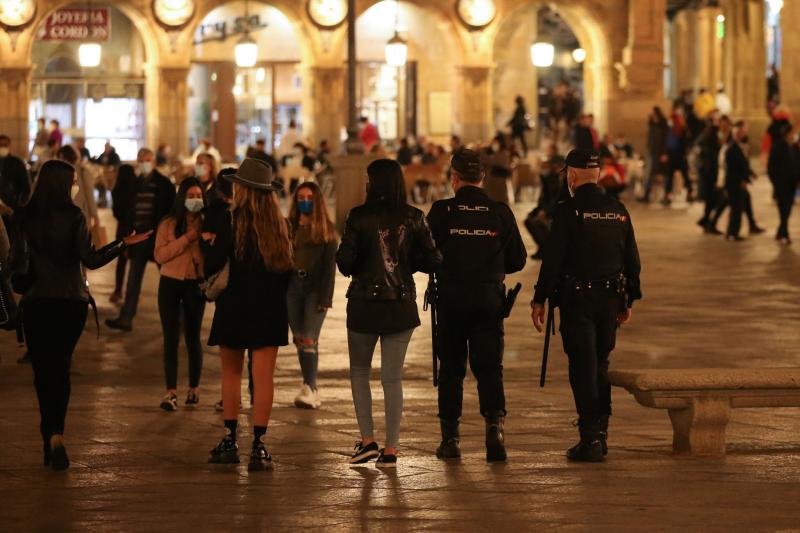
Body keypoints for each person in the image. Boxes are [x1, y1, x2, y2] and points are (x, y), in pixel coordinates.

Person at [15, 159, 150, 471]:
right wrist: (121, 244)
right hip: (70, 303)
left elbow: (17, 265)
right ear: (64, 184)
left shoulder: (25, 216)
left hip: (37, 302)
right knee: (61, 370)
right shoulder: (74, 216)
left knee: (42, 372)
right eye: (73, 180)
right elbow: (90, 259)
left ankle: (48, 434)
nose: (76, 185)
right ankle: (58, 434)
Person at [531, 148, 642, 462]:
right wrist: (629, 299)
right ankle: (601, 433)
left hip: (578, 302)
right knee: (601, 364)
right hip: (609, 301)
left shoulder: (567, 210)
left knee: (583, 367)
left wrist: (540, 298)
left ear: (572, 175)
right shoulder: (618, 209)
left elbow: (552, 260)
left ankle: (590, 437)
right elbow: (632, 259)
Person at [336, 159, 441, 468]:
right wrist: (410, 260)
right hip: (400, 304)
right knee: (392, 379)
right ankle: (392, 449)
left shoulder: (358, 217)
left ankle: (368, 441)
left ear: (373, 184)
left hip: (364, 305)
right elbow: (435, 259)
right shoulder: (414, 217)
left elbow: (345, 264)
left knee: (359, 372)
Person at [426, 149, 527, 462]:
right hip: (488, 300)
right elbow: (518, 260)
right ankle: (494, 429)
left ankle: (451, 439)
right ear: (482, 178)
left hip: (452, 300)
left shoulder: (441, 212)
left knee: (451, 370)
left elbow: (425, 255)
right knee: (489, 368)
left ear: (454, 178)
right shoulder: (500, 212)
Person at [203, 158, 293, 471]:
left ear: (242, 189)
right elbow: (287, 271)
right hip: (269, 307)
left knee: (231, 373)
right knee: (263, 376)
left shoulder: (230, 221)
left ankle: (229, 438)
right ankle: (259, 444)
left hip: (235, 305)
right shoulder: (280, 225)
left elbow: (213, 261)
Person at [106, 148, 176, 331]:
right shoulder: (135, 184)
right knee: (133, 280)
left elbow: (170, 212)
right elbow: (129, 211)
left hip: (158, 238)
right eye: (141, 159)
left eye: (148, 159)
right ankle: (126, 318)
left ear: (153, 161)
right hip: (138, 238)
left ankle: (179, 320)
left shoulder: (164, 184)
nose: (144, 162)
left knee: (170, 280)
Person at [154, 178, 206, 411]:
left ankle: (194, 389)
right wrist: (187, 239)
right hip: (170, 283)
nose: (195, 200)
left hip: (194, 284)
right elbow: (160, 255)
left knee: (193, 338)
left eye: (199, 196)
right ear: (182, 197)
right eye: (191, 196)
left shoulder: (207, 223)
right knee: (170, 338)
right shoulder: (168, 223)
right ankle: (171, 391)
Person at [287, 182, 337, 409]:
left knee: (309, 337)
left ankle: (310, 386)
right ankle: (308, 385)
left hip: (315, 289)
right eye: (300, 197)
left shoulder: (326, 229)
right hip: (292, 287)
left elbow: (329, 268)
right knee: (299, 339)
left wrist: (326, 298)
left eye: (309, 197)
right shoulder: (289, 227)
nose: (304, 201)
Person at [525, 153, 566, 260]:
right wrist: (540, 210)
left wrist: (546, 212)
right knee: (529, 220)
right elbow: (544, 198)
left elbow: (559, 200)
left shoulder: (565, 181)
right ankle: (543, 248)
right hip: (548, 209)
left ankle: (549, 249)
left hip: (557, 211)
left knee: (540, 223)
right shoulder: (549, 178)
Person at [110, 164, 138, 304]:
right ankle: (131, 295)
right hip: (136, 227)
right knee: (136, 263)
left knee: (121, 261)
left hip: (122, 229)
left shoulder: (117, 189)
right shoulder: (137, 188)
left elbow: (115, 211)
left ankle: (118, 290)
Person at [767, 122, 798, 245]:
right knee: (783, 209)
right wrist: (776, 182)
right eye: (793, 133)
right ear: (787, 134)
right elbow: (771, 167)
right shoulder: (778, 146)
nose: (794, 135)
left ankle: (780, 231)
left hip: (792, 184)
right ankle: (785, 234)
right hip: (781, 184)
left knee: (788, 208)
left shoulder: (794, 147)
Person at [57, 145, 99, 230]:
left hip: (64, 216)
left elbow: (89, 194)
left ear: (62, 156)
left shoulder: (58, 173)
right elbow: (89, 194)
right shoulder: (82, 171)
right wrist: (94, 214)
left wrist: (94, 214)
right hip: (80, 214)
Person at [639, 107, 669, 203]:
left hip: (659, 153)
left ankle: (664, 196)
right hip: (651, 152)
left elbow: (665, 140)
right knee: (649, 174)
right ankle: (647, 195)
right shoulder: (652, 123)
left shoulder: (663, 124)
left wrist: (664, 153)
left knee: (659, 175)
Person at [481, 134, 514, 204]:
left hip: (500, 182)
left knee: (500, 202)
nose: (494, 144)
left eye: (496, 143)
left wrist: (488, 159)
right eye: (493, 142)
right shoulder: (489, 153)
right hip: (489, 182)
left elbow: (495, 162)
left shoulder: (504, 153)